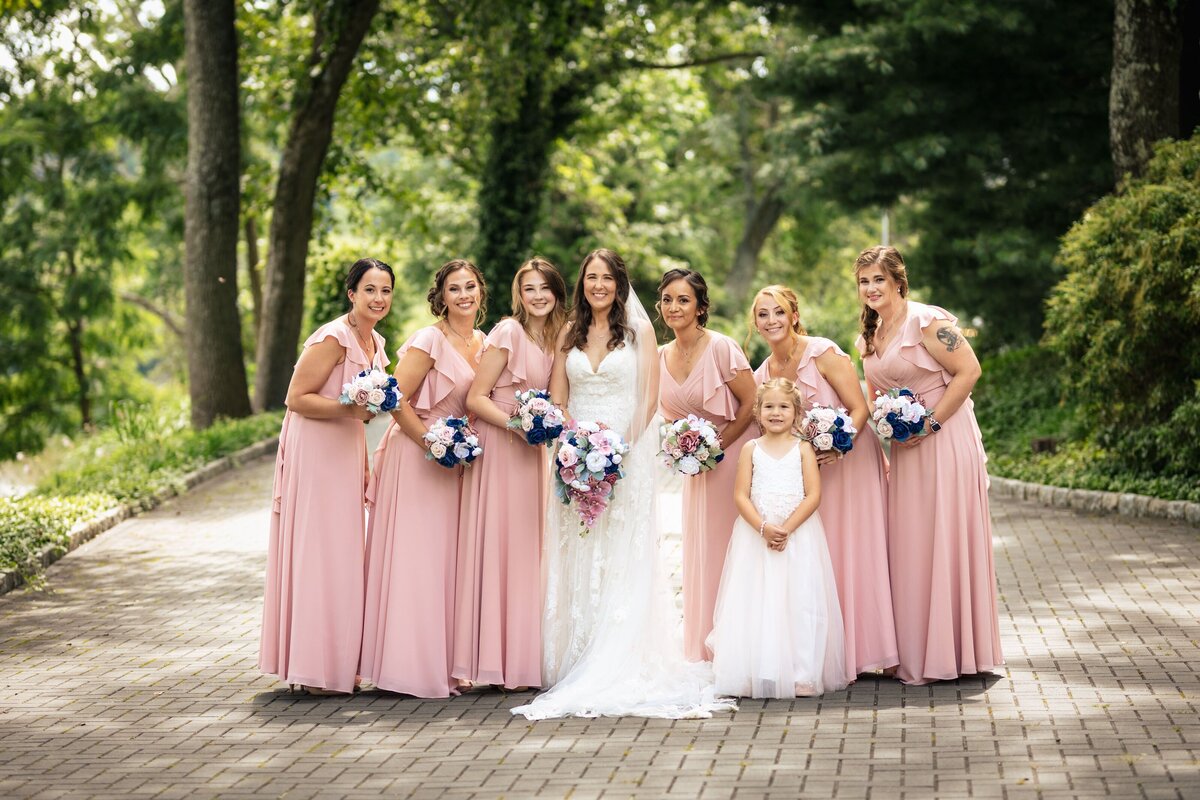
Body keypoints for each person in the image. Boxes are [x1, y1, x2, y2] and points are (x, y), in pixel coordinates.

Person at [512, 248, 735, 720]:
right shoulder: (569, 331)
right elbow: (558, 395)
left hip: (624, 455)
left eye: (607, 279)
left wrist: (617, 451)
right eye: (591, 277)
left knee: (620, 551)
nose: (598, 286)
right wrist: (578, 443)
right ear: (582, 283)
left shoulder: (640, 331)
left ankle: (622, 651)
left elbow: (650, 399)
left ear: (619, 284)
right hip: (574, 454)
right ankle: (577, 652)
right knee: (578, 549)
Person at [854, 245, 1003, 685]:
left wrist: (932, 423)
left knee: (943, 536)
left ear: (898, 280)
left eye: (878, 279)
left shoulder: (927, 321)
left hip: (945, 441)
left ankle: (953, 653)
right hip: (904, 450)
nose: (871, 288)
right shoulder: (870, 335)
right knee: (912, 543)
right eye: (864, 282)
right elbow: (874, 397)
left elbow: (970, 371)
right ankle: (916, 650)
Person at [260, 257, 394, 695]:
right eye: (369, 290)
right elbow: (295, 398)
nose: (378, 298)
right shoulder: (333, 337)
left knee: (344, 554)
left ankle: (339, 662)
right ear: (351, 293)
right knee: (320, 553)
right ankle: (313, 666)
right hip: (316, 450)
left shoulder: (376, 342)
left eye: (386, 290)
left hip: (346, 446)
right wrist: (348, 408)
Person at [750, 284, 897, 677]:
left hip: (850, 463)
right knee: (824, 555)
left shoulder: (823, 352)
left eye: (778, 312)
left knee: (855, 550)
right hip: (810, 476)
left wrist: (841, 446)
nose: (772, 321)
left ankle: (865, 651)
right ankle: (831, 651)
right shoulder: (764, 372)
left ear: (794, 315)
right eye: (763, 314)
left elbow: (858, 407)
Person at [360, 259, 486, 697]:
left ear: (481, 292)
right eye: (455, 289)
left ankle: (445, 661)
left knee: (445, 562)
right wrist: (431, 443)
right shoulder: (429, 340)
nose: (464, 295)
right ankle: (406, 666)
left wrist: (455, 448)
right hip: (416, 455)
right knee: (416, 559)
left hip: (453, 461)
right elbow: (395, 398)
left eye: (470, 286)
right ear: (442, 296)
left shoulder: (484, 343)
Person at [454, 257, 567, 691]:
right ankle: (489, 660)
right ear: (518, 295)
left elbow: (557, 398)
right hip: (501, 447)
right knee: (498, 547)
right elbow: (476, 398)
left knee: (527, 550)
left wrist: (550, 424)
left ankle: (520, 660)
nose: (536, 296)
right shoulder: (507, 332)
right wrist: (516, 426)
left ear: (556, 291)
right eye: (528, 289)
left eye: (544, 288)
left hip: (533, 451)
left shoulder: (557, 338)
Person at [707, 378, 850, 698]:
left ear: (797, 413)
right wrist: (763, 528)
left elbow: (813, 495)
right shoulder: (750, 449)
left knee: (798, 601)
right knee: (756, 600)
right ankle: (751, 670)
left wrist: (787, 528)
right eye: (768, 406)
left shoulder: (803, 449)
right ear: (757, 412)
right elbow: (741, 496)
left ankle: (801, 673)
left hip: (798, 536)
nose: (776, 412)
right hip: (756, 537)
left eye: (783, 406)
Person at [657, 268, 757, 661]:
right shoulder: (660, 356)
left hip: (730, 461)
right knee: (700, 552)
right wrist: (681, 448)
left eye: (683, 299)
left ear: (701, 307)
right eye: (667, 299)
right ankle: (704, 646)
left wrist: (714, 448)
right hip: (693, 469)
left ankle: (736, 647)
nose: (674, 307)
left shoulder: (722, 348)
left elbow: (751, 404)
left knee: (730, 550)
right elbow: (665, 415)